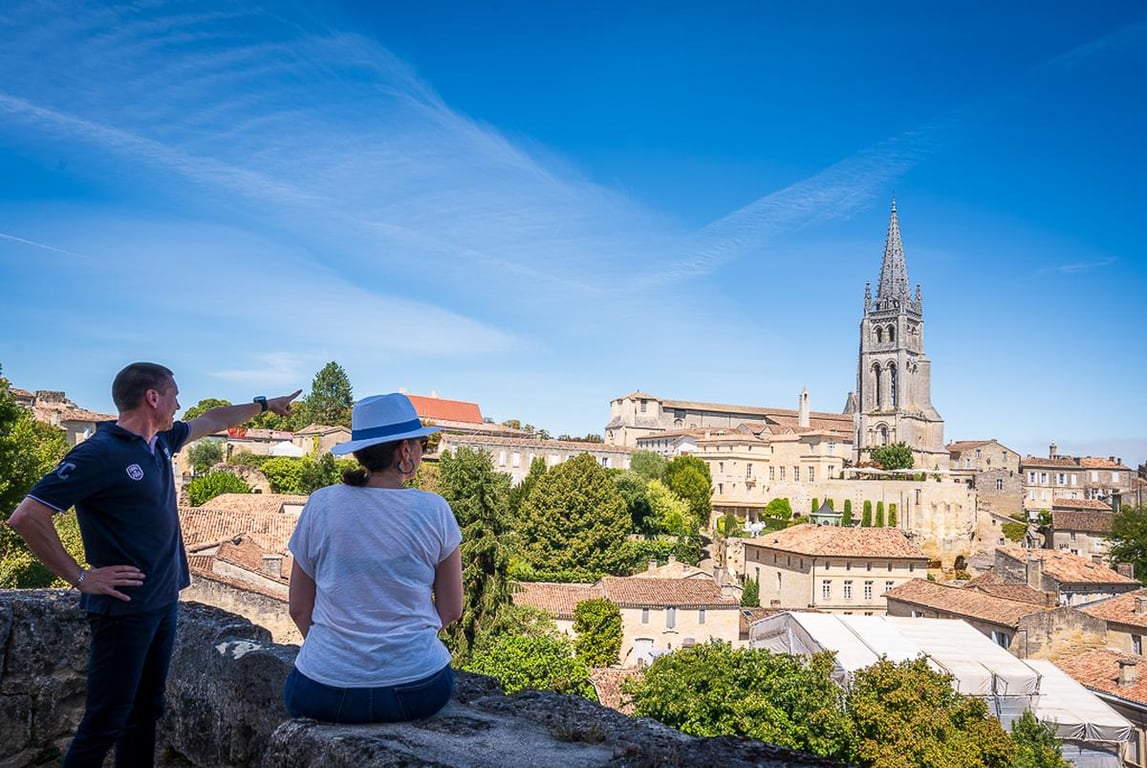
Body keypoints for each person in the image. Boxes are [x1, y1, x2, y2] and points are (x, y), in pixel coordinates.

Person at [6, 362, 300, 768]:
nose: (180, 404)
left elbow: (214, 419)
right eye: (174, 395)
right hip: (124, 610)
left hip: (162, 603)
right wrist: (80, 576)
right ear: (152, 397)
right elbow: (27, 516)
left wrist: (266, 405)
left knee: (145, 714)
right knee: (105, 721)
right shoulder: (99, 453)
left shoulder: (161, 442)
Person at [284, 392, 463, 724]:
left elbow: (298, 608)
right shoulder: (435, 510)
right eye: (421, 442)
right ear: (405, 450)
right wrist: (404, 647)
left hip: (322, 688)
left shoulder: (321, 504)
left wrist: (341, 655)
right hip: (417, 688)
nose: (423, 450)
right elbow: (452, 609)